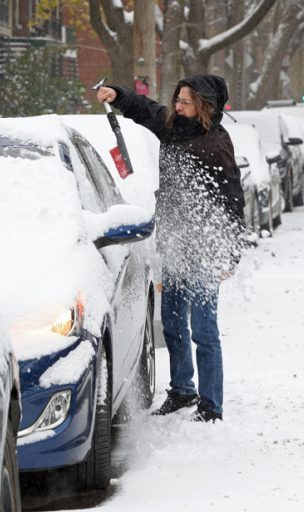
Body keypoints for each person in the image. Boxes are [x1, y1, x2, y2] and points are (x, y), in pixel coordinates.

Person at [96, 75, 245, 423]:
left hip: (206, 248)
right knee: (174, 323)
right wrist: (117, 93)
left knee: (204, 329)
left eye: (185, 102)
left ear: (204, 107)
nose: (177, 106)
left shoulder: (217, 144)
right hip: (175, 242)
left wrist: (231, 251)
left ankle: (211, 405)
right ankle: (182, 390)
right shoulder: (172, 128)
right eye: (177, 99)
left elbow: (233, 199)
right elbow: (143, 109)